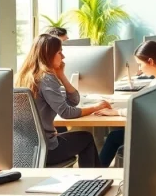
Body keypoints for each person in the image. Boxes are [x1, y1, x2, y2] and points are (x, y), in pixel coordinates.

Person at [15, 34, 109, 167]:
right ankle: (91, 183)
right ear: (48, 54)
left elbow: (74, 101)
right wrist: (96, 107)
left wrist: (61, 75)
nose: (63, 57)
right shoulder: (46, 78)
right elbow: (66, 112)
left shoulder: (22, 77)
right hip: (45, 151)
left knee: (73, 136)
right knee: (86, 138)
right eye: (60, 52)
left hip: (23, 151)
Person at [94, 41, 156, 166]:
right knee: (115, 135)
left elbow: (140, 110)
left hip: (154, 137)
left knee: (113, 137)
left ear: (150, 61)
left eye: (140, 64)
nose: (139, 68)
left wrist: (116, 112)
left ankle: (97, 173)